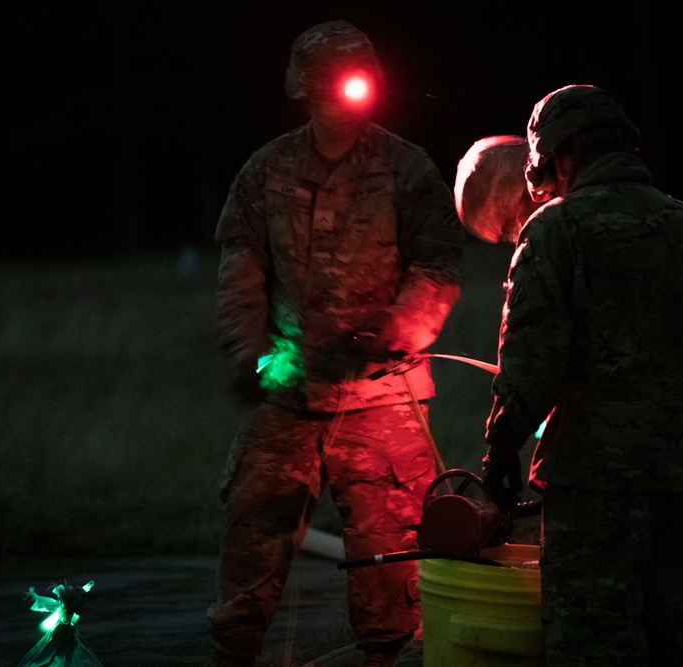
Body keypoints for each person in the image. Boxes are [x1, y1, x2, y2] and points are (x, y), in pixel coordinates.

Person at [208, 20, 465, 667]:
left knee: (396, 565)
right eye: (327, 82)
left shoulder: (406, 168)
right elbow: (240, 264)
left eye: (353, 81)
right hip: (291, 391)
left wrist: (399, 328)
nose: (341, 96)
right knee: (251, 545)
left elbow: (438, 264)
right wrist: (248, 352)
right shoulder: (266, 172)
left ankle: (391, 657)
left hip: (384, 394)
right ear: (303, 88)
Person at [480, 84, 683, 665]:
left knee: (592, 646)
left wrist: (500, 452)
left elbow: (531, 363)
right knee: (677, 640)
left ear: (561, 153)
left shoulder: (556, 229)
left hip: (595, 486)